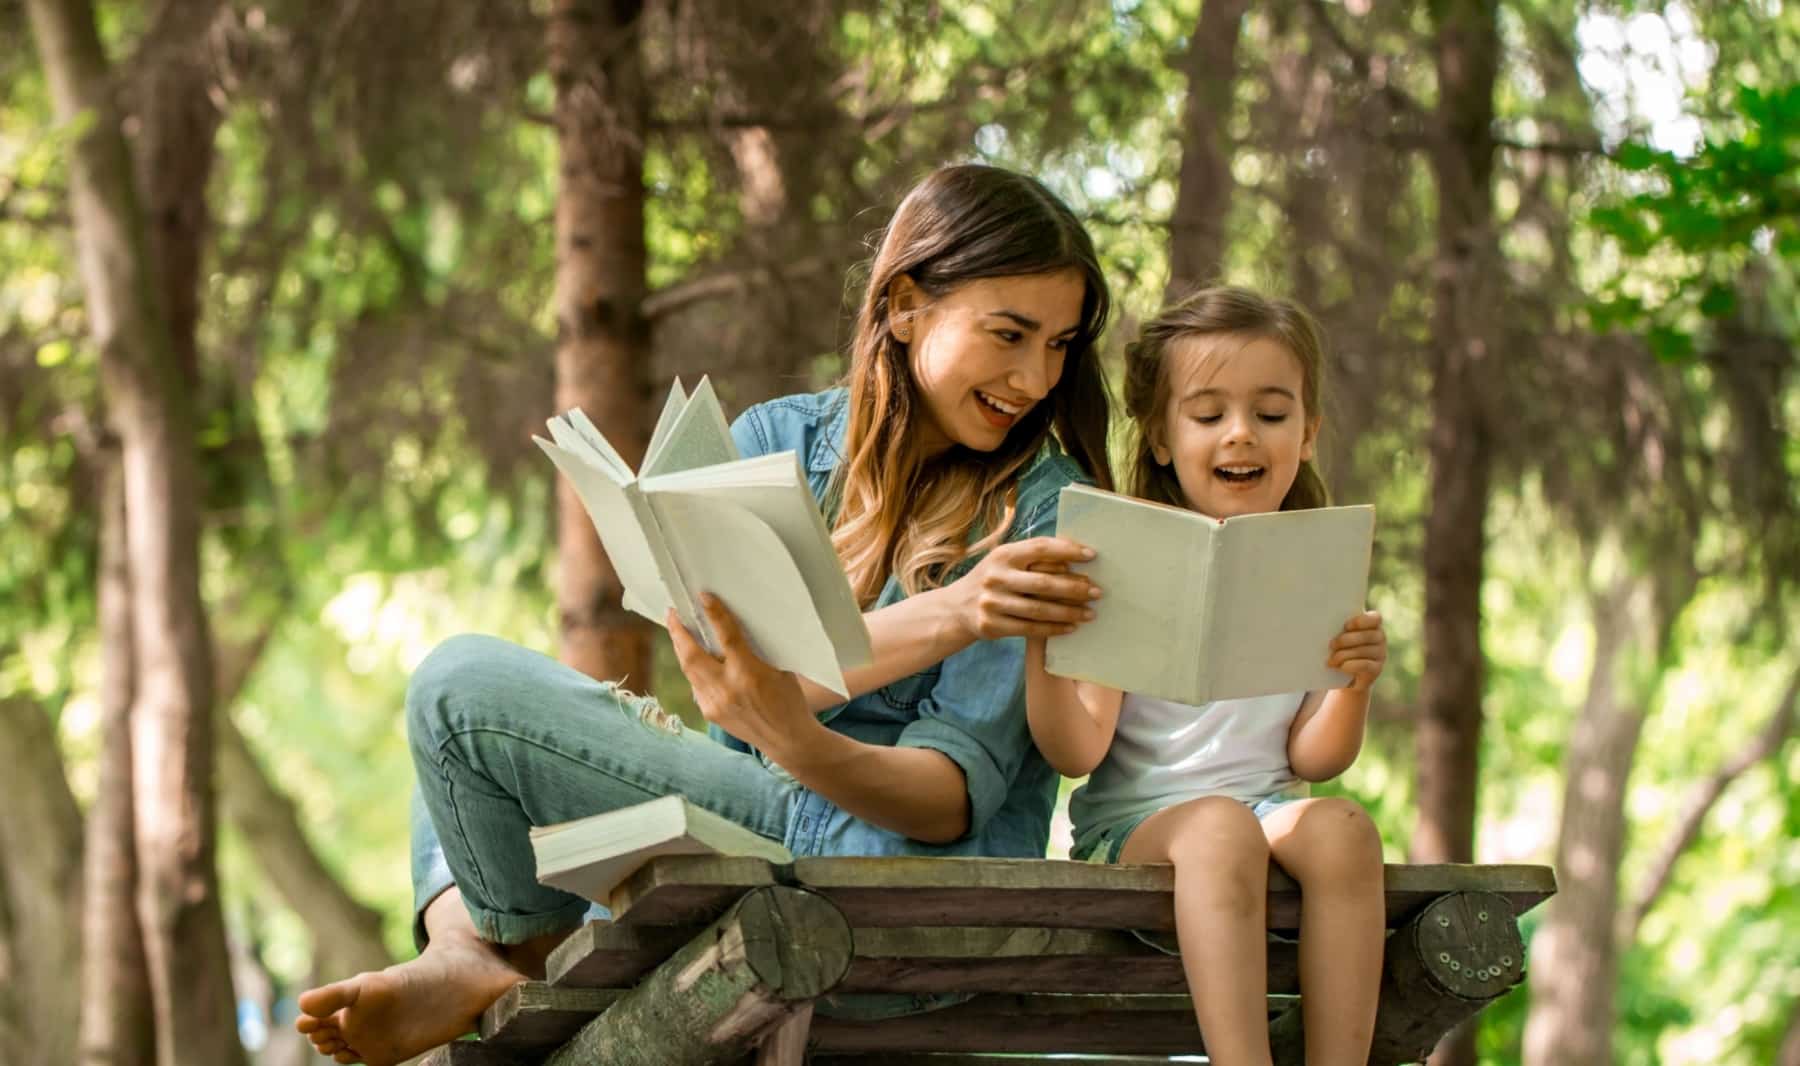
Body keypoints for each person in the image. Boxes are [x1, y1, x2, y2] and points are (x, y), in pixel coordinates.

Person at [295, 163, 1117, 1065]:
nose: (1035, 377)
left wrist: (801, 736)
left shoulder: (1046, 509)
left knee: (461, 691)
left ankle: (484, 953)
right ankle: (470, 952)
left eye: (1060, 346)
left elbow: (951, 800)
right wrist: (946, 617)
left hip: (899, 883)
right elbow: (744, 697)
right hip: (752, 830)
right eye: (1010, 335)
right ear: (907, 304)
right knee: (463, 752)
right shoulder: (779, 442)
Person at [1023, 285, 1389, 1066]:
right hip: (1138, 828)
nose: (1241, 435)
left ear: (1309, 433)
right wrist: (1042, 652)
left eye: (1271, 412)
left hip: (1265, 810)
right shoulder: (1124, 560)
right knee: (1220, 824)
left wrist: (1352, 684)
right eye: (1209, 413)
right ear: (1159, 435)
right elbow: (1076, 752)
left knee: (1343, 828)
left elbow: (1312, 760)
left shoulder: (1316, 570)